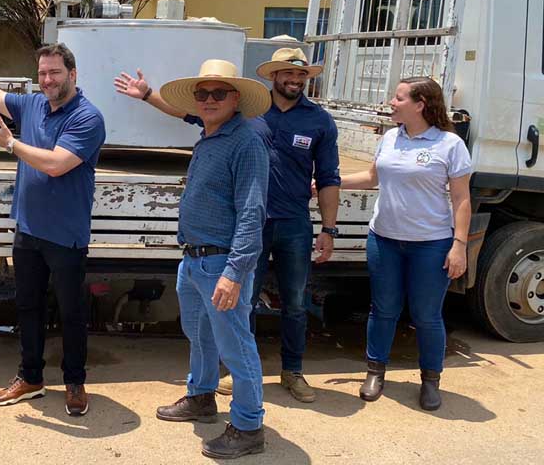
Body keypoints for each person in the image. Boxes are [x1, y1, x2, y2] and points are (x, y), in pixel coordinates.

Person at [115, 46, 341, 403]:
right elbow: (189, 112)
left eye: (301, 75)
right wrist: (146, 95)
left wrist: (329, 229)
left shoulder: (319, 121)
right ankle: (239, 372)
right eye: (288, 73)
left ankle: (291, 372)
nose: (295, 80)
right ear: (273, 76)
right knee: (242, 301)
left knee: (295, 302)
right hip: (248, 225)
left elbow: (329, 177)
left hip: (293, 221)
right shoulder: (246, 116)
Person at [0, 43, 105, 416]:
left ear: (72, 75)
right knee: (27, 307)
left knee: (72, 312)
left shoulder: (87, 118)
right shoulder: (33, 105)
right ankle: (31, 377)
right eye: (42, 73)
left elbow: (57, 164)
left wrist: (11, 143)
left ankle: (74, 381)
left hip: (66, 234)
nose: (47, 79)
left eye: (55, 72)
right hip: (28, 230)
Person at [116, 59, 271, 459]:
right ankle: (202, 396)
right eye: (202, 94)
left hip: (221, 264)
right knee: (200, 337)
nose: (208, 100)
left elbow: (252, 212)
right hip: (195, 259)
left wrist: (235, 273)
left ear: (236, 99)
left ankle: (249, 425)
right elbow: (180, 111)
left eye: (219, 93)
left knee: (236, 346)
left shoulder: (246, 142)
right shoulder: (210, 133)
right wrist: (148, 95)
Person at [339, 76, 471, 411]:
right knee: (383, 310)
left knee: (427, 315)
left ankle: (430, 380)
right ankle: (375, 371)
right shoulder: (390, 138)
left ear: (420, 104)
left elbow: (461, 199)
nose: (391, 103)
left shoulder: (449, 144)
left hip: (431, 244)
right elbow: (372, 177)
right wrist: (328, 182)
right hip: (384, 239)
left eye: (398, 98)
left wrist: (459, 245)